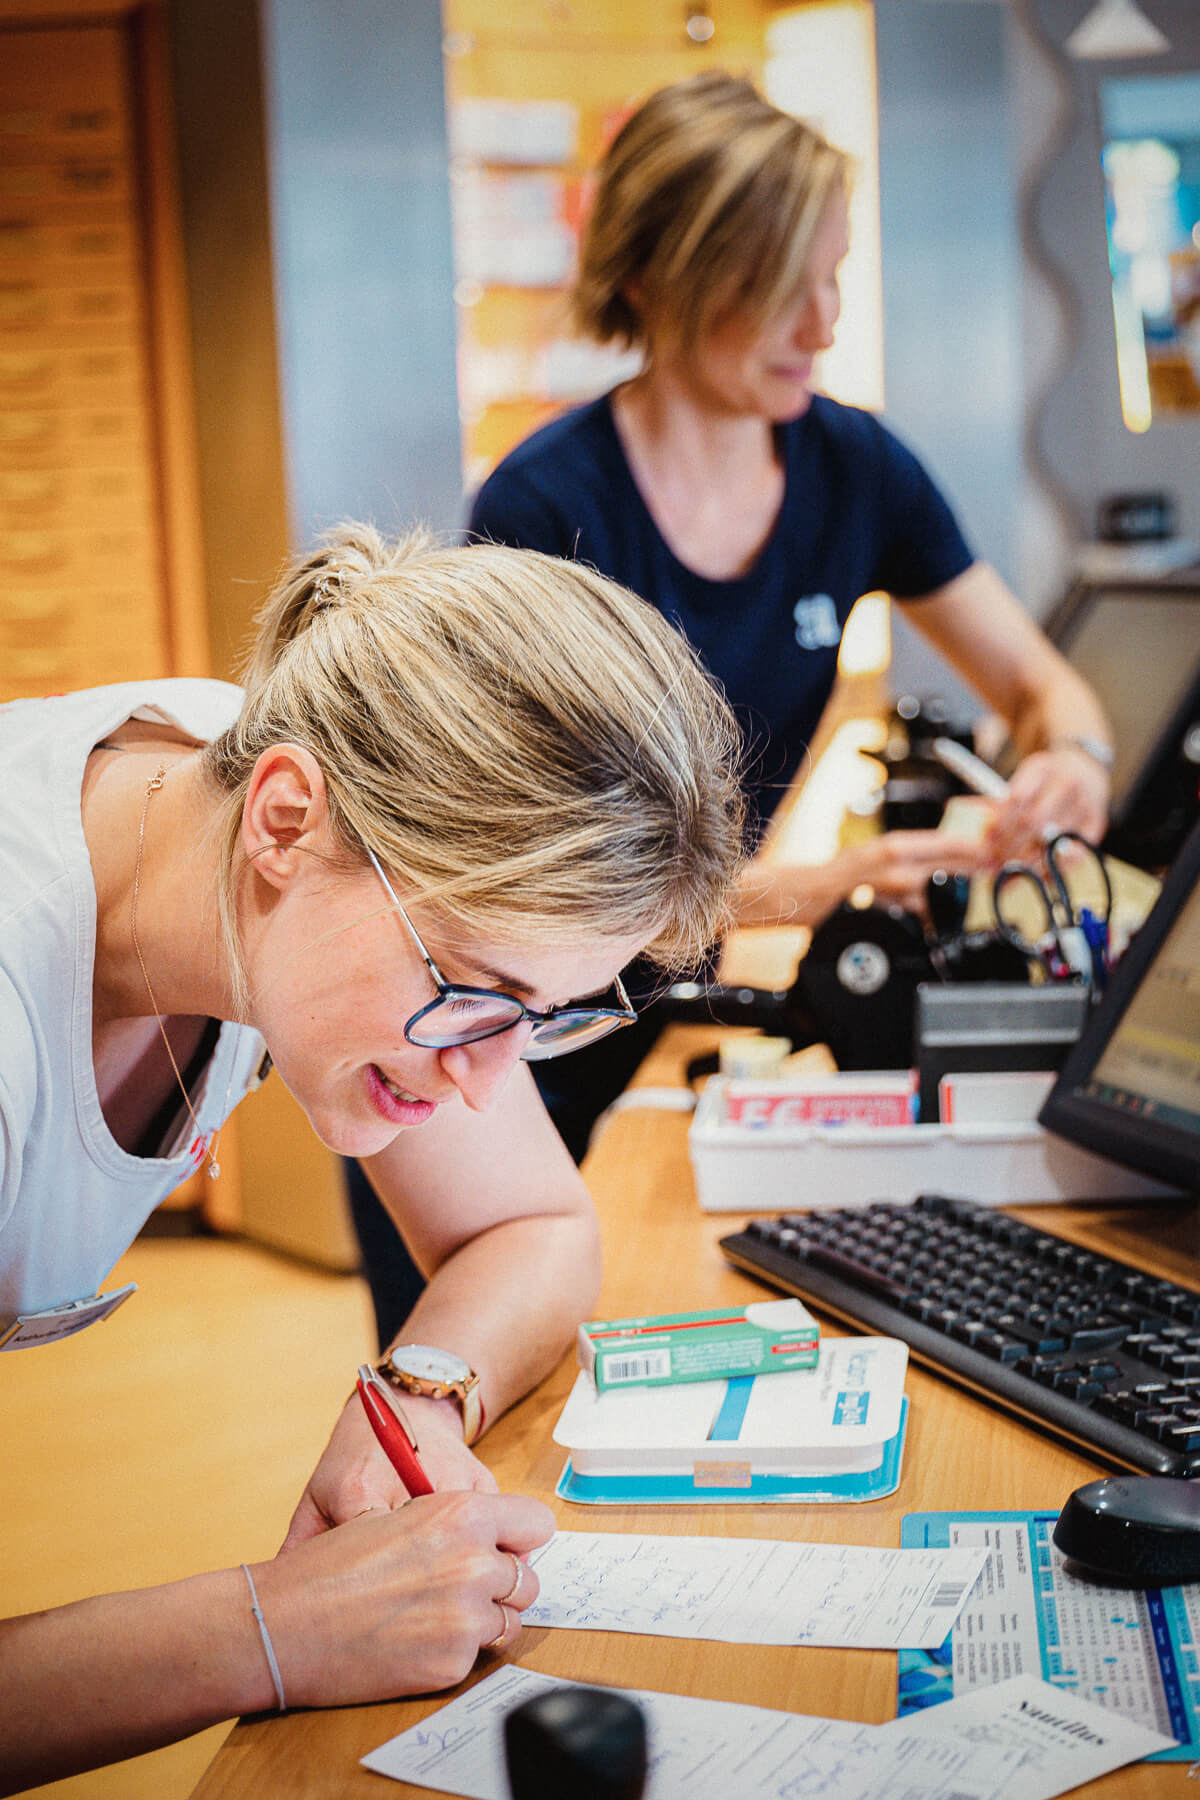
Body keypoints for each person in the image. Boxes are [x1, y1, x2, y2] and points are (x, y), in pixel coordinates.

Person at [0, 522, 744, 1791]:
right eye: (475, 988)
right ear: (285, 822)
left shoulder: (252, 782)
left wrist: (417, 1391)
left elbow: (531, 1227)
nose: (482, 1079)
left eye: (550, 1015)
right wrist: (274, 1630)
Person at [458, 67, 1115, 1164]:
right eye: (781, 287)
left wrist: (1077, 760)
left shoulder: (856, 467)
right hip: (509, 1047)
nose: (824, 322)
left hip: (670, 1024)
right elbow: (551, 892)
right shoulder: (545, 509)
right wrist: (837, 885)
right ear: (663, 279)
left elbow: (1048, 692)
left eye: (834, 279)